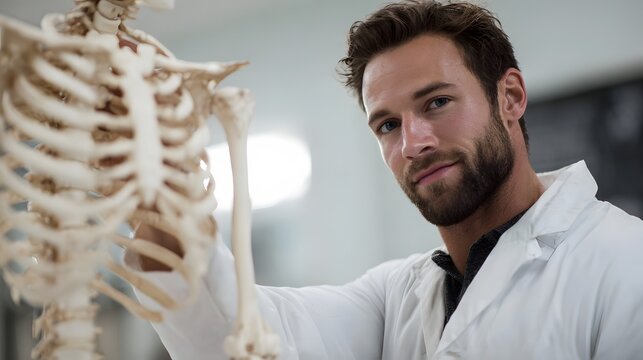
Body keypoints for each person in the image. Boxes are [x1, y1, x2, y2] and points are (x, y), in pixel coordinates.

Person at [131, 1, 643, 359]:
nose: (412, 143)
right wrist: (155, 185)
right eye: (388, 125)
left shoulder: (623, 261)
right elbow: (246, 336)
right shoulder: (395, 297)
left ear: (509, 97)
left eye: (437, 103)